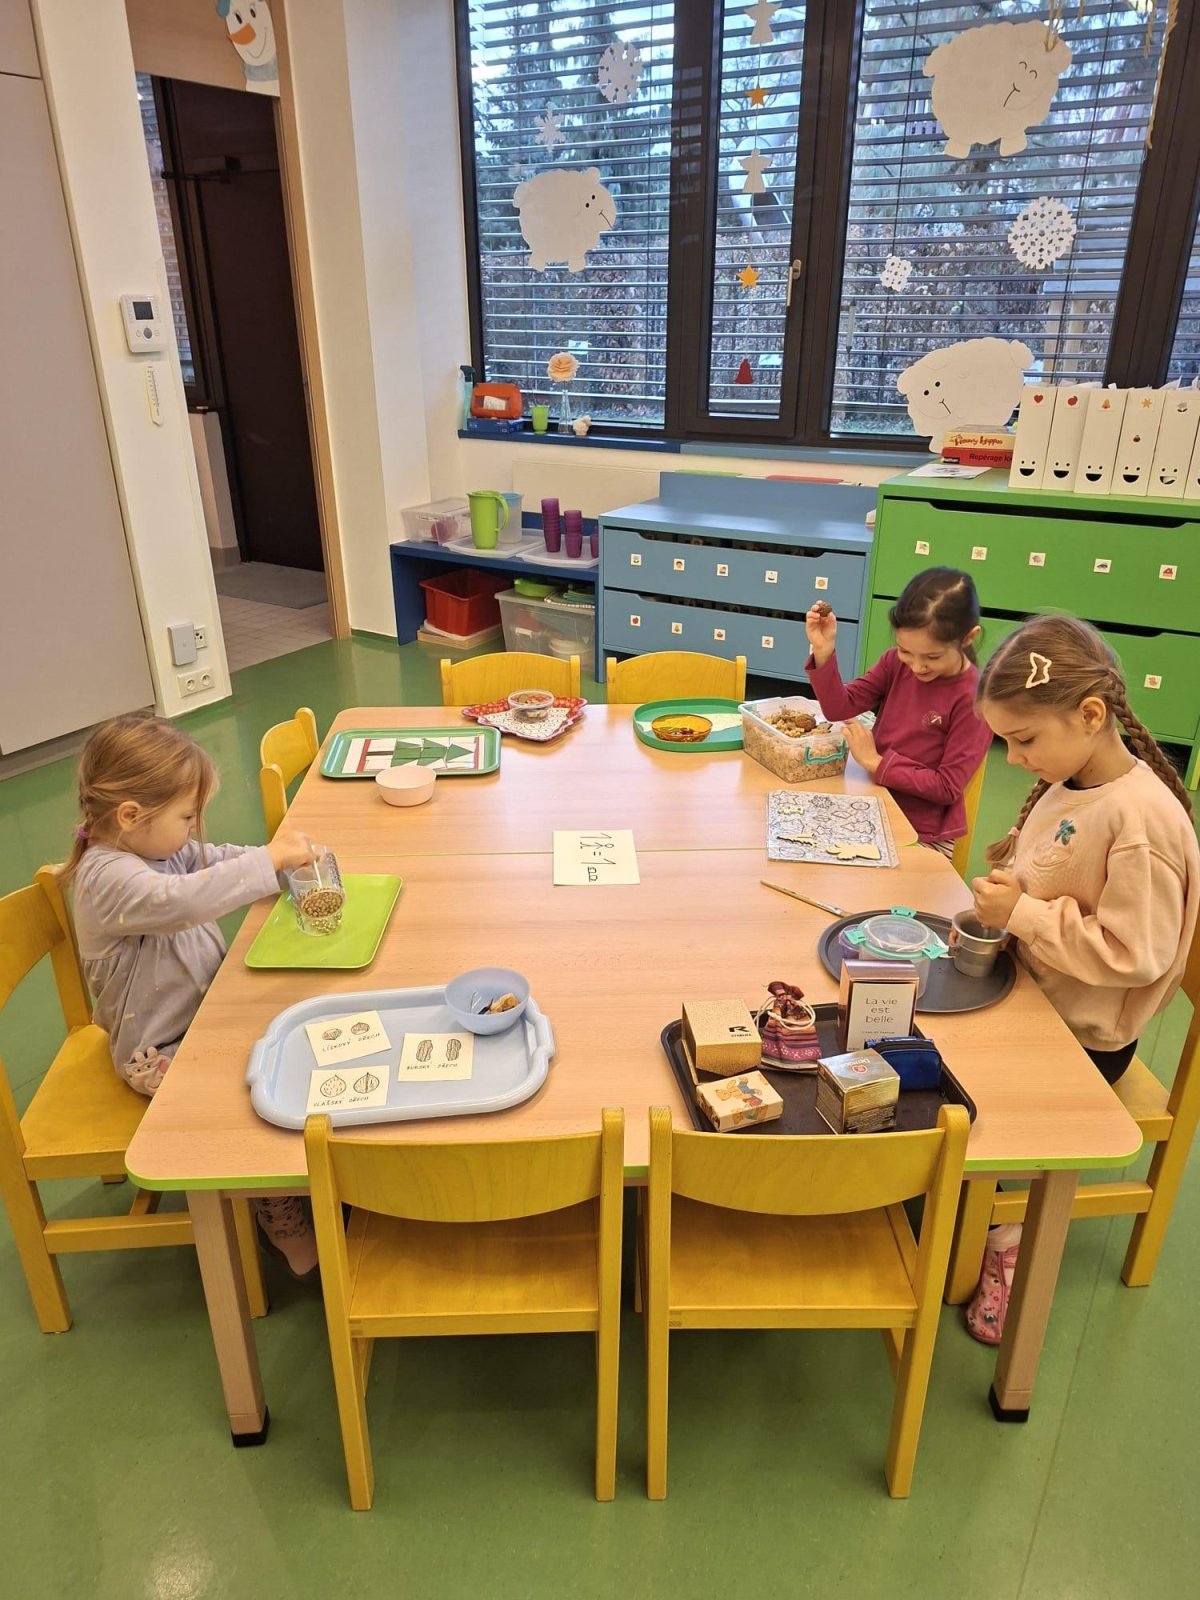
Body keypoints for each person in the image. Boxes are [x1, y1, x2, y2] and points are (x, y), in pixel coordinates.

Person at [965, 615, 1200, 1341]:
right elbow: (1055, 875)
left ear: (1091, 716)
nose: (1012, 759)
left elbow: (1137, 955)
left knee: (953, 1094)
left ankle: (1006, 1235)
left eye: (1024, 739)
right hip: (1034, 998)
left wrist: (1022, 914)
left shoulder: (1141, 822)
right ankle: (965, 1201)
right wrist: (1011, 900)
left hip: (1084, 1042)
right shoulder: (1070, 779)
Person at [63, 714, 319, 1275]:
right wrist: (269, 861)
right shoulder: (106, 878)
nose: (195, 827)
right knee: (252, 1096)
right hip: (159, 1049)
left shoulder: (156, 849)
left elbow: (213, 860)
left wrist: (282, 862)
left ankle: (300, 1176)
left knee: (291, 1031)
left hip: (203, 1018)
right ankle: (276, 1210)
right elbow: (184, 901)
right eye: (187, 816)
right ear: (130, 816)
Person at [804, 567, 992, 851]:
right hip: (874, 803)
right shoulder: (895, 662)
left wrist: (876, 762)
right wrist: (823, 650)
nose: (917, 666)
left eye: (932, 657)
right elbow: (839, 707)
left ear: (968, 637)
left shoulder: (973, 699)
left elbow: (946, 787)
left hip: (923, 833)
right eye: (906, 651)